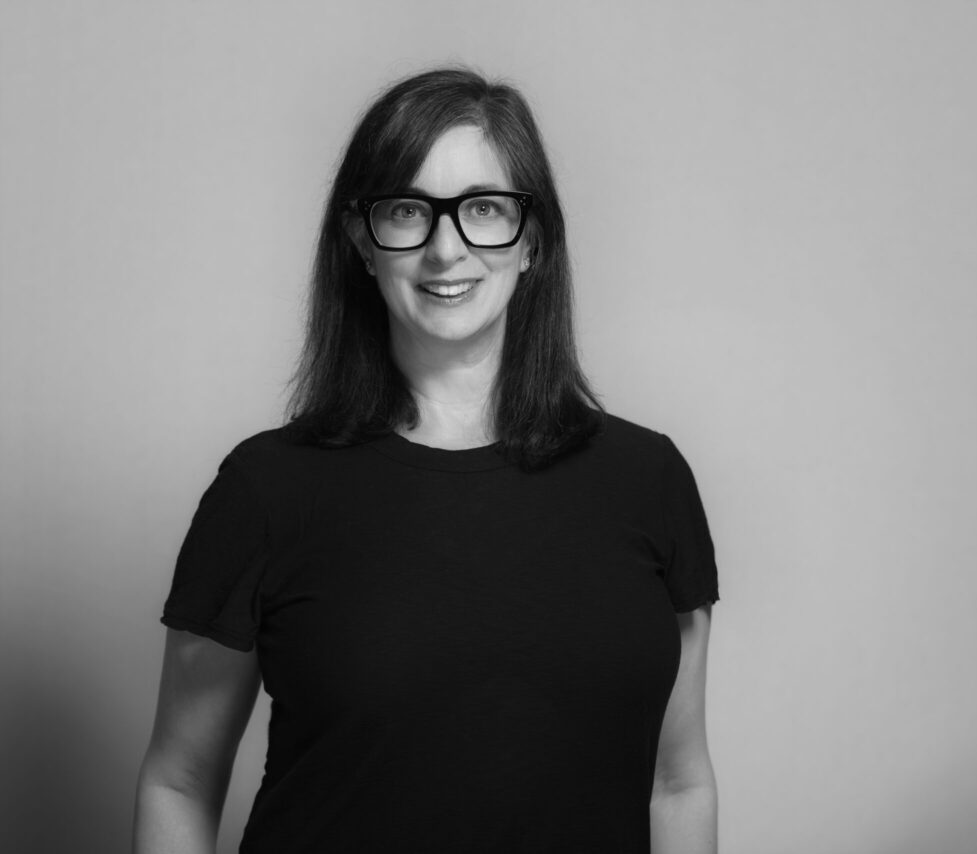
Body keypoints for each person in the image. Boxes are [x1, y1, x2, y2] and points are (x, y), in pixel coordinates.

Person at [132, 67, 720, 853]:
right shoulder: (266, 490)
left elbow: (678, 784)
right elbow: (178, 782)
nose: (447, 249)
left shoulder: (649, 481)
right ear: (361, 242)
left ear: (533, 239)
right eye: (408, 210)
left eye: (484, 209)